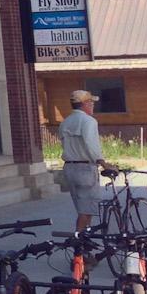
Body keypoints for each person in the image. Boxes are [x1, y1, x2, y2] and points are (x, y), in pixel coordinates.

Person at [60, 88, 115, 231]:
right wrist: (103, 163)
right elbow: (91, 145)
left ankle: (85, 243)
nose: (93, 105)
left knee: (82, 208)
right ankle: (79, 246)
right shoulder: (89, 121)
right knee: (87, 211)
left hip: (69, 168)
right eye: (91, 102)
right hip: (85, 169)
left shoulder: (65, 122)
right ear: (85, 103)